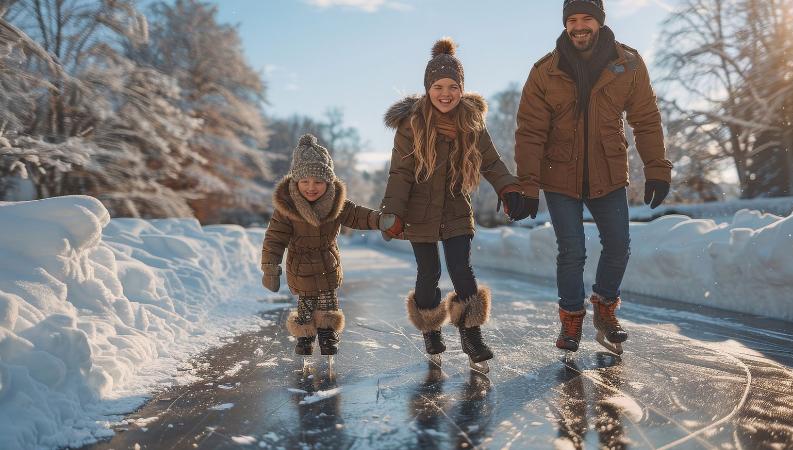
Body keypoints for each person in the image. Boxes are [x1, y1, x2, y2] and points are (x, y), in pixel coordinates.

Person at [513, 0, 673, 354]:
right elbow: (530, 131)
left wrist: (657, 168)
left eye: (587, 18)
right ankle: (571, 320)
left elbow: (645, 119)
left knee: (618, 246)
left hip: (608, 171)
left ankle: (605, 309)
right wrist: (527, 185)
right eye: (572, 19)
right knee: (572, 251)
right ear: (565, 24)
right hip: (559, 175)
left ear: (599, 21)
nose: (579, 26)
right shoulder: (545, 70)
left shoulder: (627, 63)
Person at [379, 37, 525, 373]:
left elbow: (490, 161)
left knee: (461, 268)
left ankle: (471, 335)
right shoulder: (411, 125)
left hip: (456, 206)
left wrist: (508, 188)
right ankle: (431, 328)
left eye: (453, 87)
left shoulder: (471, 121)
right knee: (429, 273)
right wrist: (393, 212)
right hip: (418, 211)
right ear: (428, 88)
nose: (446, 93)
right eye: (439, 86)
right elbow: (400, 172)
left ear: (462, 89)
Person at [261, 133, 382, 360]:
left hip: (327, 263)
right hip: (301, 265)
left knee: (328, 301)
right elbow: (274, 238)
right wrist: (270, 267)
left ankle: (328, 336)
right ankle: (305, 337)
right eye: (305, 181)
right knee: (306, 303)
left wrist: (380, 220)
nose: (311, 187)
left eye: (318, 182)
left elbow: (358, 216)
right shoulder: (287, 209)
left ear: (328, 182)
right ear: (296, 182)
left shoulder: (336, 204)